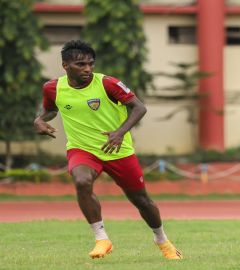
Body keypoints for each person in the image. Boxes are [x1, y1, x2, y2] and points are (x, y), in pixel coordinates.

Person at [33, 40, 183, 260]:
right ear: (65, 66)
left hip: (118, 151)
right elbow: (50, 110)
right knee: (82, 182)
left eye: (90, 64)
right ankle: (101, 238)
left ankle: (162, 240)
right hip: (82, 149)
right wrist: (39, 120)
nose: (87, 69)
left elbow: (139, 107)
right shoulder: (52, 88)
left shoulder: (108, 84)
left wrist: (120, 132)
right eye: (80, 64)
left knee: (141, 200)